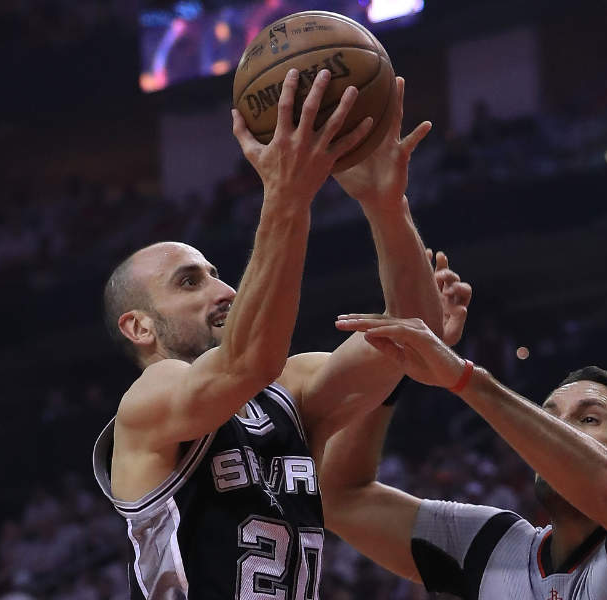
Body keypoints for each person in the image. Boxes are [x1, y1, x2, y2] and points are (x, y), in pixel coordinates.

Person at [91, 69, 446, 599]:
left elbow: (414, 338)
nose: (224, 290)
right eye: (190, 282)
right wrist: (286, 195)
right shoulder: (149, 401)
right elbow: (246, 363)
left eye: (216, 274)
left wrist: (385, 204)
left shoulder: (291, 388)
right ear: (139, 326)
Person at [324, 315, 607, 599]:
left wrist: (464, 379)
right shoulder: (491, 544)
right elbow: (341, 498)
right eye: (549, 419)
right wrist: (392, 359)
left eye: (588, 418)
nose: (560, 430)